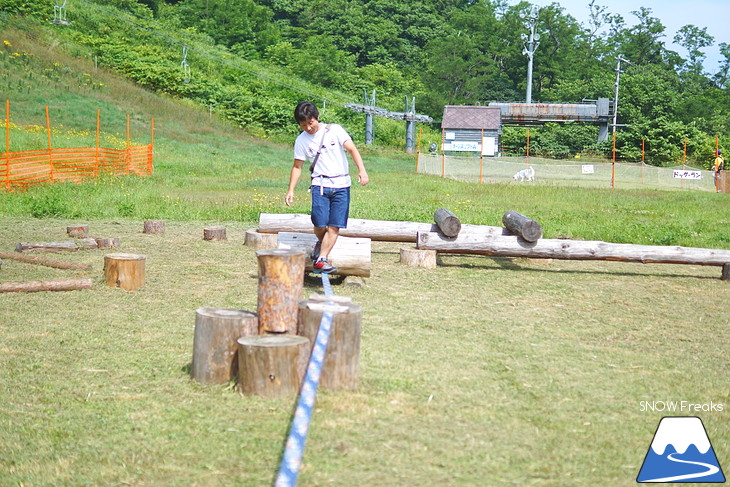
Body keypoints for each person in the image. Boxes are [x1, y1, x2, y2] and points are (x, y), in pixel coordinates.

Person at [285, 101, 369, 274]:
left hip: (341, 184)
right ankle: (321, 244)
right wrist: (291, 190)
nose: (308, 127)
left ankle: (322, 258)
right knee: (319, 221)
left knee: (335, 225)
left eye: (311, 122)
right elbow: (297, 167)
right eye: (303, 124)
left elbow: (352, 149)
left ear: (317, 118)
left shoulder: (334, 130)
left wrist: (362, 170)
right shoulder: (301, 141)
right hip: (319, 185)